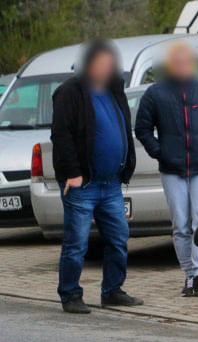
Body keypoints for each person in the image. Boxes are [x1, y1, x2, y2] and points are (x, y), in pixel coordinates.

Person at [51, 39, 143, 314]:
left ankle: (112, 291)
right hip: (83, 184)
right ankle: (70, 294)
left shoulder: (115, 90)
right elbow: (61, 135)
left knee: (118, 238)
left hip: (111, 183)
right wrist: (72, 173)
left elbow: (124, 130)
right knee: (76, 243)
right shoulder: (69, 92)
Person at [135, 42, 198, 297]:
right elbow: (142, 128)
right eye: (178, 62)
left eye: (187, 61)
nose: (183, 66)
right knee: (180, 226)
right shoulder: (156, 94)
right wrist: (159, 152)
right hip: (172, 170)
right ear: (170, 65)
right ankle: (190, 274)